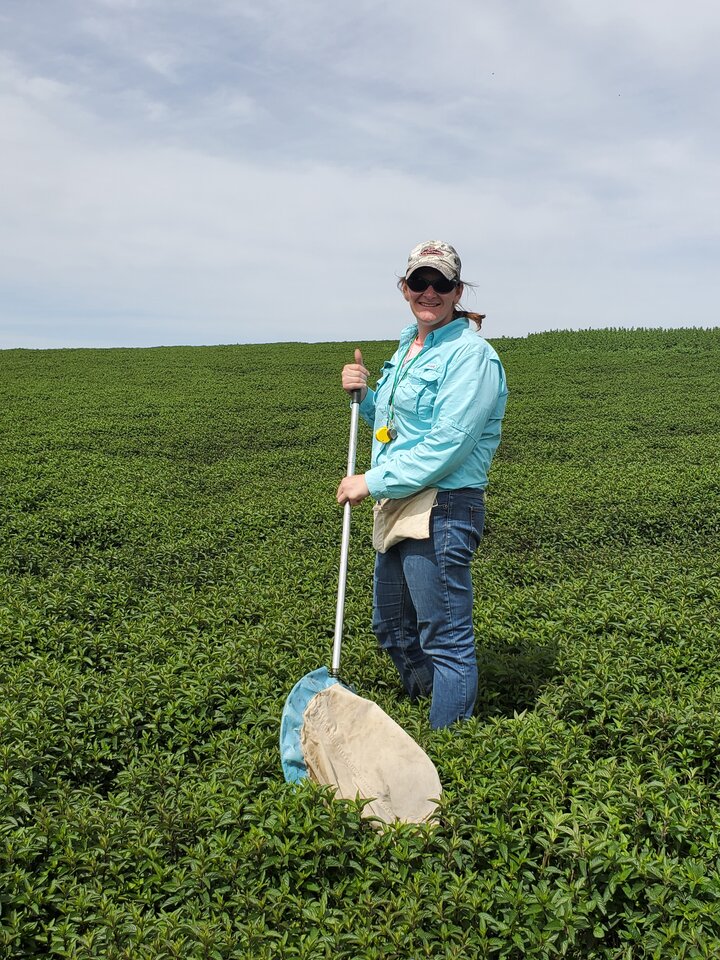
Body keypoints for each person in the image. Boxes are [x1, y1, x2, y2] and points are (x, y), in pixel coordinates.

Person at [337, 240, 508, 729]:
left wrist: (369, 480)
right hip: (399, 500)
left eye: (441, 284)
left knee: (445, 637)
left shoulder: (472, 356)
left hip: (444, 505)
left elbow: (448, 444)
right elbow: (395, 425)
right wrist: (365, 396)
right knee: (391, 626)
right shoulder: (407, 346)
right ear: (404, 287)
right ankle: (435, 708)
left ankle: (449, 754)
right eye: (419, 282)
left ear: (457, 291)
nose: (429, 292)